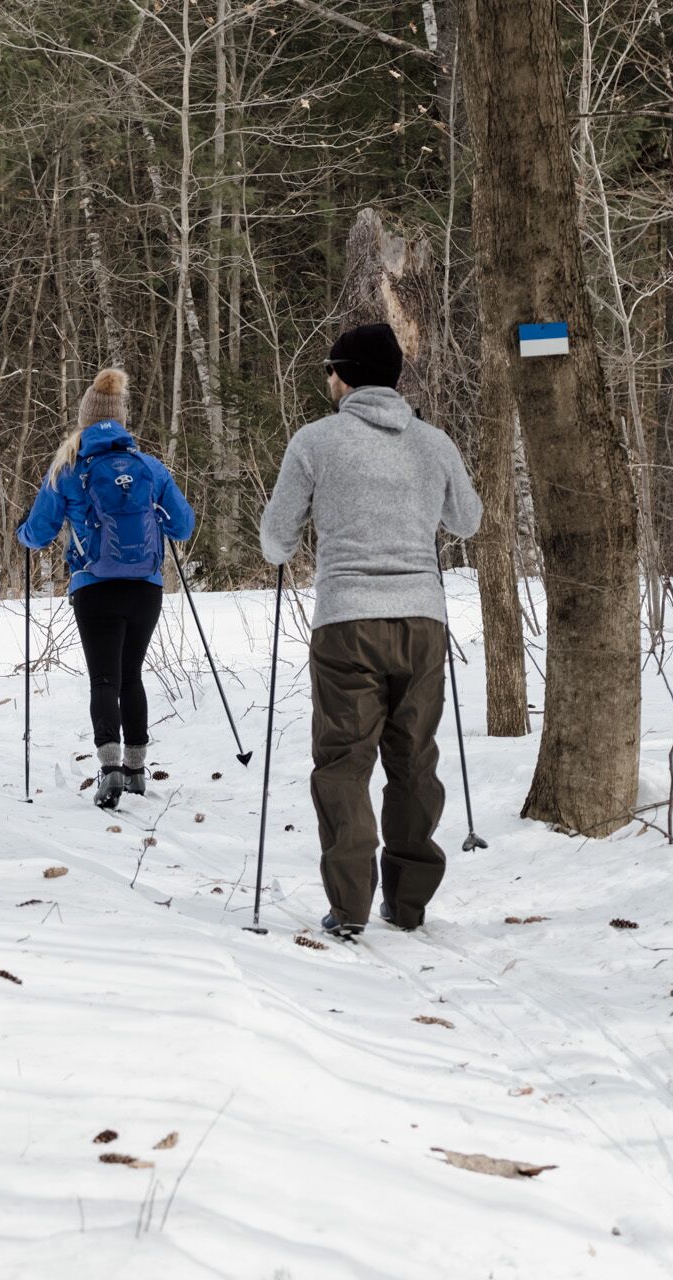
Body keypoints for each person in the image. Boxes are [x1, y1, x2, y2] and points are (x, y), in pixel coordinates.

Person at [259, 323, 481, 938]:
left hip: (346, 623)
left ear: (347, 375)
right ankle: (408, 903)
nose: (328, 379)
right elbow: (467, 520)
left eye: (331, 369)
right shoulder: (434, 443)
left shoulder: (316, 441)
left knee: (343, 764)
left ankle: (350, 906)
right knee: (413, 761)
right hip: (422, 622)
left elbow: (276, 541)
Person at [18, 368, 196, 810]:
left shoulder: (70, 468)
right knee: (131, 675)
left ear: (84, 421)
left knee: (104, 678)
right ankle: (136, 770)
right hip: (145, 589)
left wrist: (22, 532)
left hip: (95, 587)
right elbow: (183, 524)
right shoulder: (149, 468)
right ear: (119, 420)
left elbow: (39, 532)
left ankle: (111, 768)